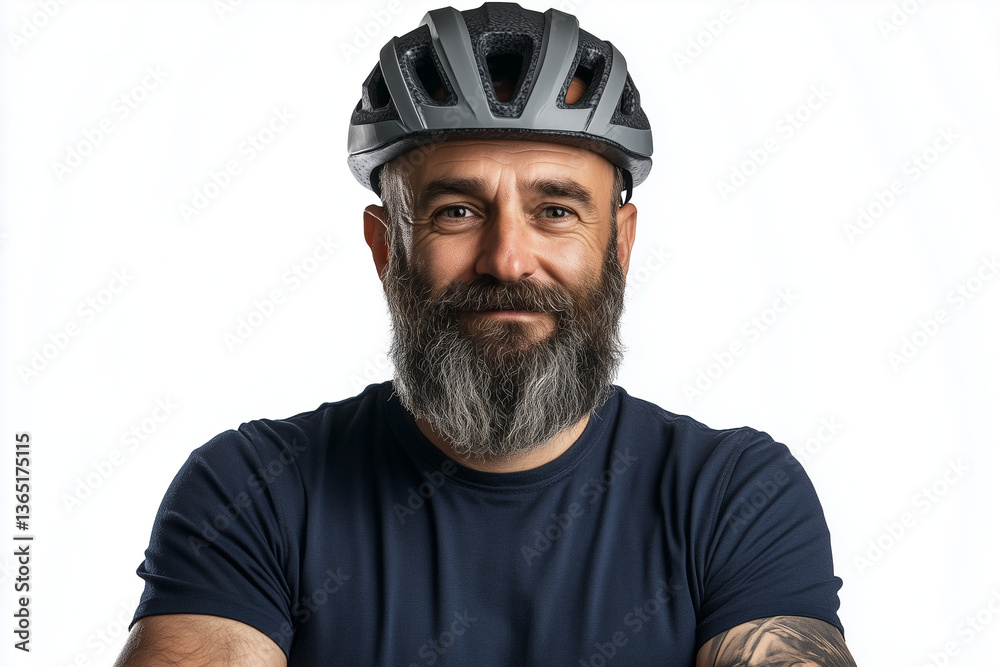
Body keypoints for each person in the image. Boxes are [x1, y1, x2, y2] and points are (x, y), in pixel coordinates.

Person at [116, 3, 856, 665]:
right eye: (456, 211)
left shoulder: (734, 495)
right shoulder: (255, 489)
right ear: (385, 247)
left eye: (557, 211)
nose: (507, 258)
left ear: (619, 245)